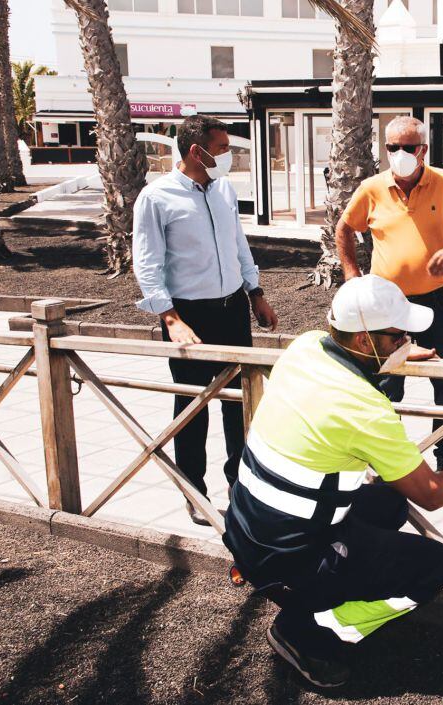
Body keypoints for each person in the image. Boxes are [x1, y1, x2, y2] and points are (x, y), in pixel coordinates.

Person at [223, 274, 443, 689]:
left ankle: (292, 584)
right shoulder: (364, 408)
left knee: (390, 505)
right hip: (284, 553)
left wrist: (394, 355)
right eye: (397, 335)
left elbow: (348, 379)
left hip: (246, 526)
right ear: (366, 341)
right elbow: (432, 493)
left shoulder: (307, 346)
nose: (405, 339)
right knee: (433, 564)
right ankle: (310, 630)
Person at [132, 114, 279, 525]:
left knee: (241, 404)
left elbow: (238, 243)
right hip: (189, 314)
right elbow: (146, 263)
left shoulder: (225, 190)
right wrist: (171, 318)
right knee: (192, 406)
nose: (228, 155)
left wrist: (256, 294)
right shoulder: (156, 197)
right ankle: (193, 489)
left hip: (233, 308)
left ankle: (240, 483)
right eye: (222, 148)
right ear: (197, 151)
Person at [336, 116, 443, 472]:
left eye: (408, 148)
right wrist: (351, 277)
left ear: (423, 150)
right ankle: (387, 462)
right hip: (384, 308)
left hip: (437, 301)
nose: (400, 154)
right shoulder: (372, 188)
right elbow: (344, 228)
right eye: (392, 147)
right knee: (386, 386)